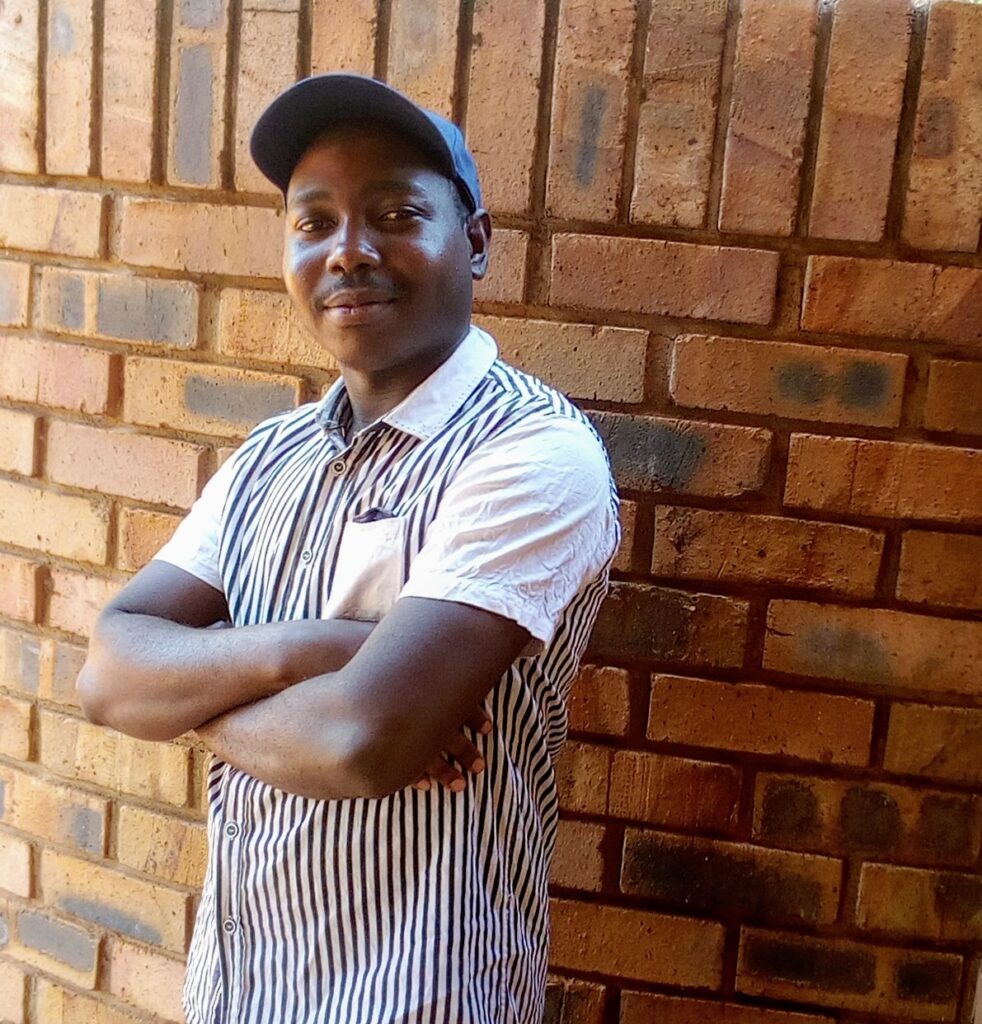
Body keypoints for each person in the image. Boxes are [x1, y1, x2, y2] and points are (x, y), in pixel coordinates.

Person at [78, 73, 619, 1024]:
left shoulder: (533, 455)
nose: (349, 252)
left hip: (422, 996)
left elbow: (360, 742)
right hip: (237, 992)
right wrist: (314, 651)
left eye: (398, 213)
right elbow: (108, 673)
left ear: (477, 242)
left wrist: (192, 701)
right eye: (313, 221)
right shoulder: (268, 457)